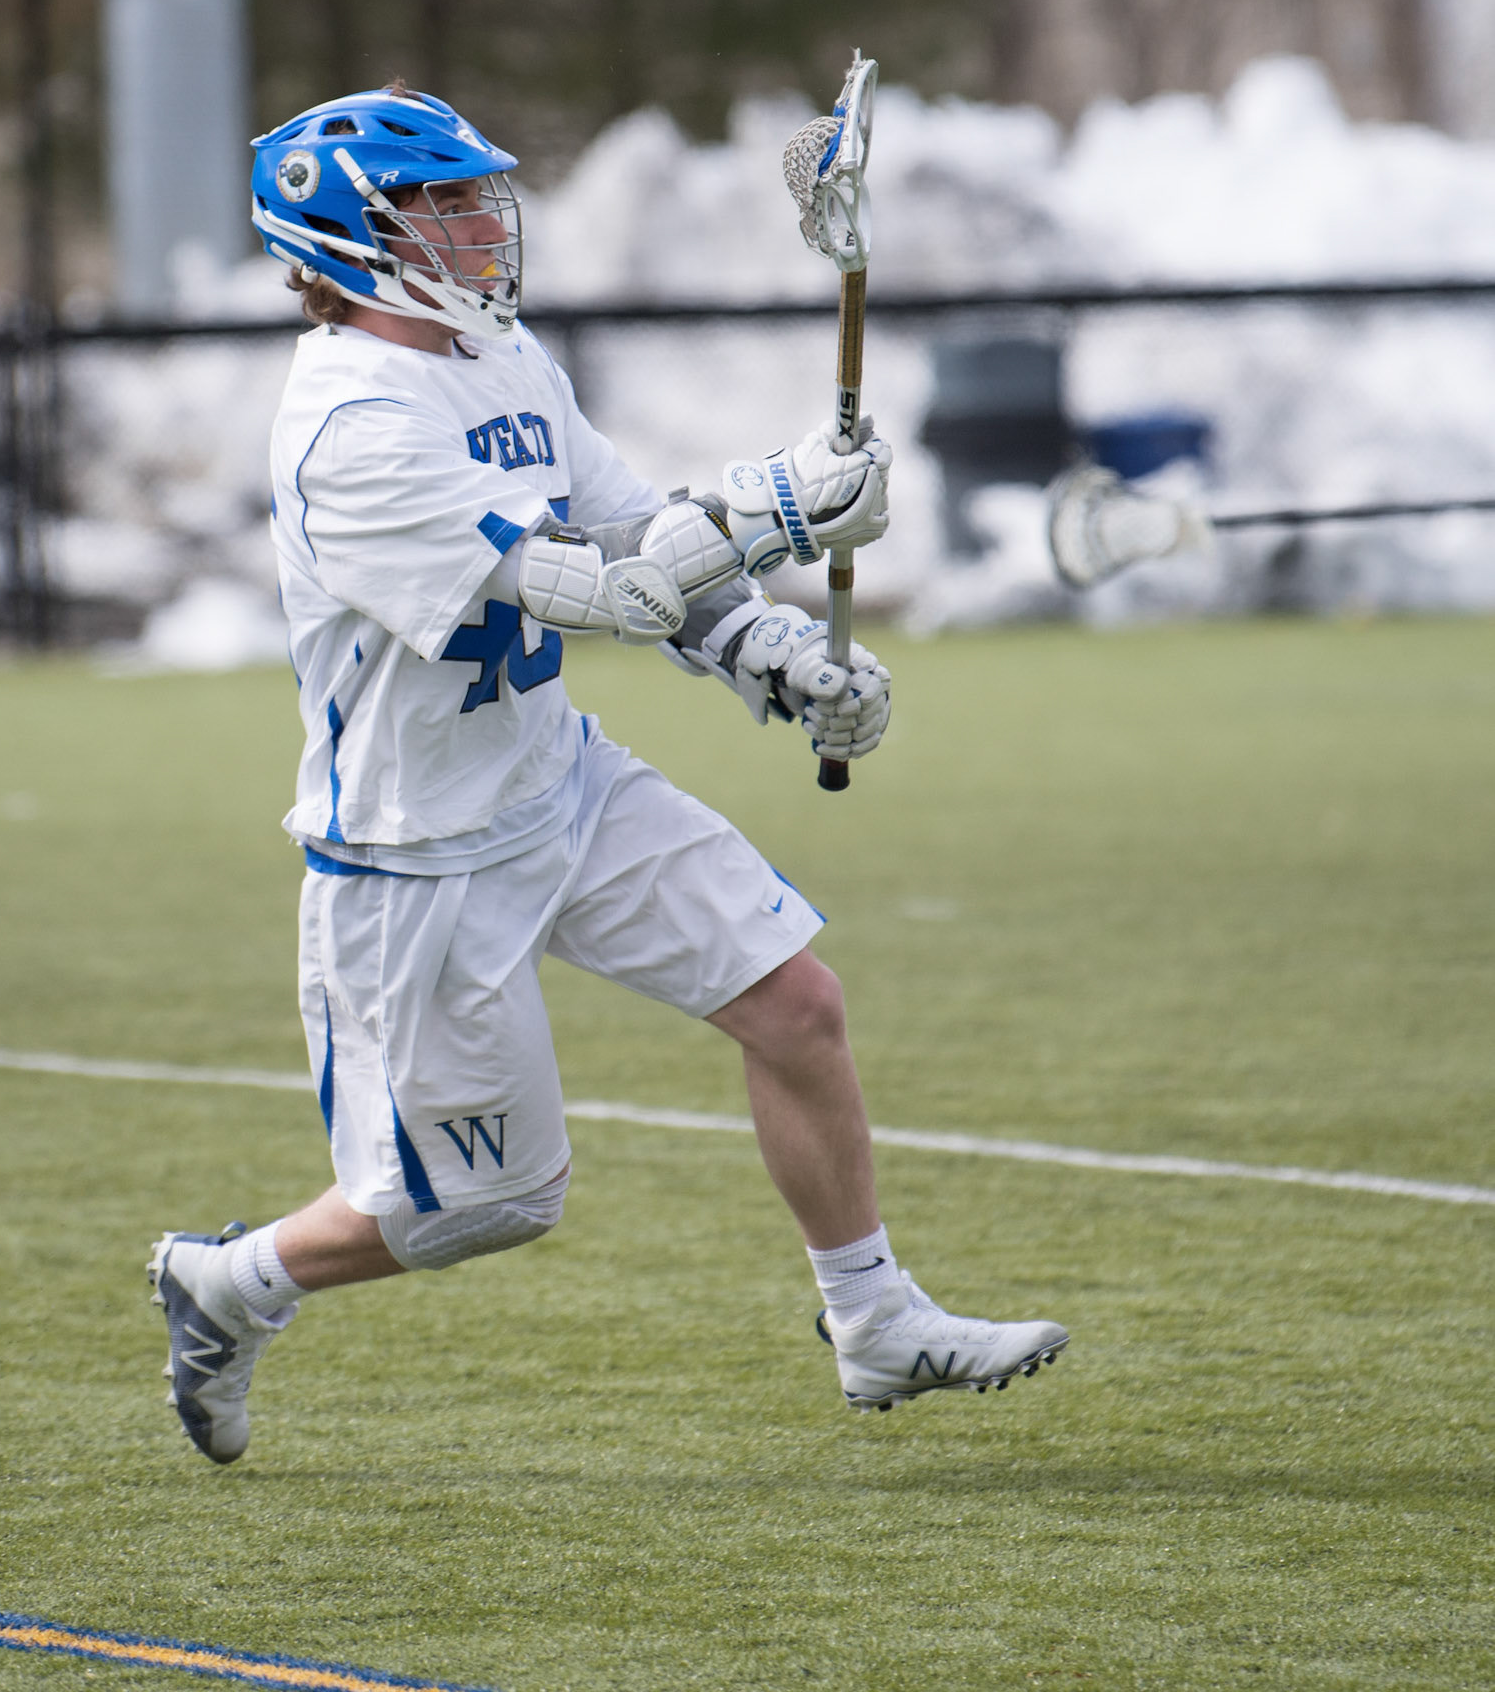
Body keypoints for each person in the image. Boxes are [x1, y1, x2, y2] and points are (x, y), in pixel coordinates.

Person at [149, 80, 1067, 1464]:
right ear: (351, 238)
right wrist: (772, 508)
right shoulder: (348, 428)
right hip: (418, 856)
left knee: (796, 1003)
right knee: (485, 1204)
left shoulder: (502, 361)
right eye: (441, 205)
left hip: (555, 783)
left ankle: (872, 1321)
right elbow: (591, 590)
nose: (478, 225)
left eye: (474, 199)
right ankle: (229, 1283)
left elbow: (634, 529)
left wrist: (770, 654)